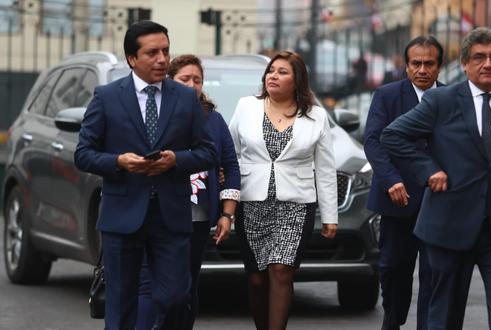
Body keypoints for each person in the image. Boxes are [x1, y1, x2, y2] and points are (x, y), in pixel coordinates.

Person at [381, 27, 491, 330]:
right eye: (479, 57)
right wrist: (428, 170)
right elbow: (393, 135)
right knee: (444, 316)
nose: (487, 64)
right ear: (465, 64)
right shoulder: (442, 100)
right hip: (448, 226)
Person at [74, 21, 216, 329]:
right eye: (152, 53)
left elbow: (207, 152)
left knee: (176, 296)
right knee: (121, 303)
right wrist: (120, 162)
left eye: (165, 51)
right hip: (122, 214)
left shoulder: (185, 98)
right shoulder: (107, 97)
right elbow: (83, 154)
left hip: (171, 215)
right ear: (132, 59)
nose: (163, 59)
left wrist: (175, 160)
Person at [228, 50, 338, 330]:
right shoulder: (246, 107)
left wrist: (330, 216)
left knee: (281, 271)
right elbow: (231, 154)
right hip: (252, 201)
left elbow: (325, 169)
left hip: (296, 205)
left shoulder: (316, 116)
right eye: (271, 71)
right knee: (257, 277)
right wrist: (227, 201)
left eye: (282, 72)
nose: (273, 76)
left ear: (297, 80)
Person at [136, 54, 240, 329]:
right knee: (150, 285)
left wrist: (227, 214)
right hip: (155, 211)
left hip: (196, 216)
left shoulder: (214, 120)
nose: (192, 85)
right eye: (185, 79)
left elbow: (230, 166)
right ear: (169, 81)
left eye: (198, 80)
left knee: (186, 287)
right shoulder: (153, 114)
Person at [364, 35, 444, 330]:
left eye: (429, 64)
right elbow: (373, 141)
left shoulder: (451, 97)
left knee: (435, 275)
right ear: (406, 66)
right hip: (397, 200)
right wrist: (391, 180)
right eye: (416, 64)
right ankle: (392, 321)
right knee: (394, 269)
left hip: (438, 201)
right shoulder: (387, 95)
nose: (422, 70)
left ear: (439, 66)